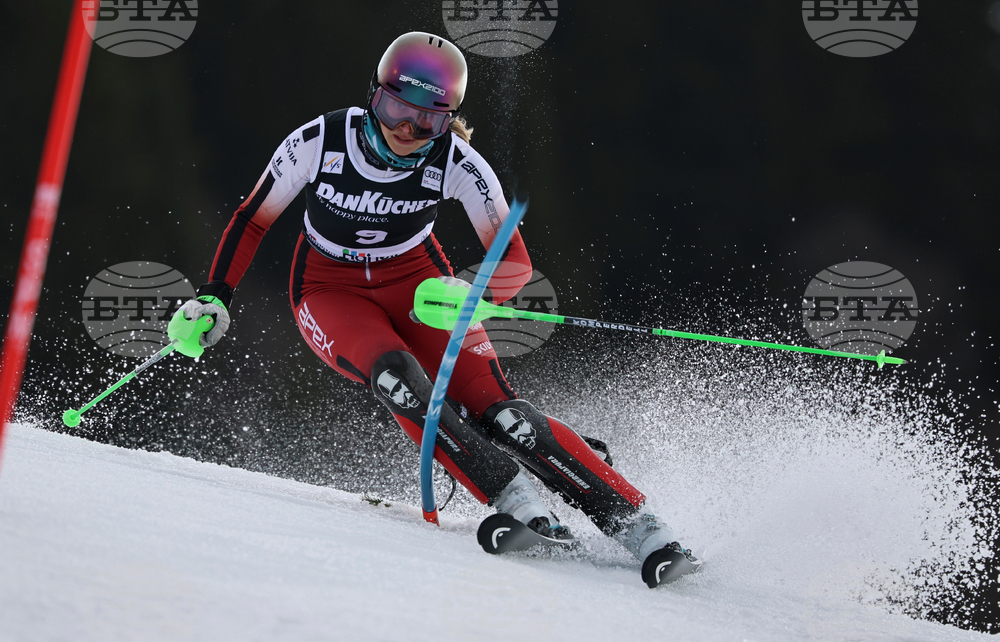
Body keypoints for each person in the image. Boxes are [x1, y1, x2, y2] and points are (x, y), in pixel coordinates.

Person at [177, 31, 699, 587]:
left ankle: (643, 526)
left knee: (503, 414)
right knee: (399, 378)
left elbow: (516, 261)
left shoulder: (458, 162)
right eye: (394, 109)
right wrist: (215, 294)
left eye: (425, 121)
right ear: (373, 97)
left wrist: (474, 291)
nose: (405, 131)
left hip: (419, 281)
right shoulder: (321, 140)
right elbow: (253, 217)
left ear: (447, 120)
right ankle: (518, 501)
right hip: (329, 289)